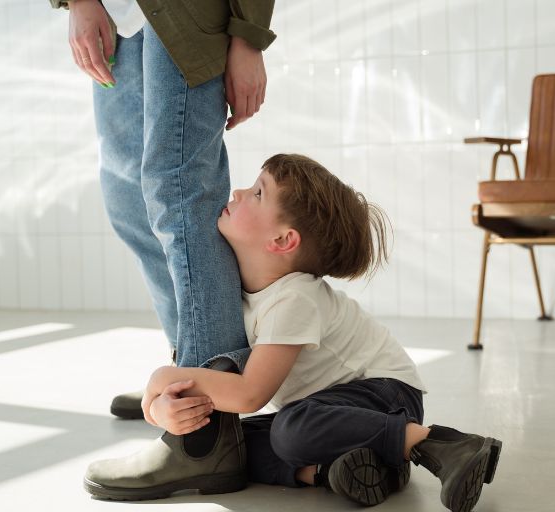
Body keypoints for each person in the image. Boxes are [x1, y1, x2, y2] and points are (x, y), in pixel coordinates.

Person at [84, 154, 503, 511]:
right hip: (331, 407)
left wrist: (161, 381)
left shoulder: (294, 299)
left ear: (283, 240)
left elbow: (250, 394)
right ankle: (339, 470)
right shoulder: (241, 285)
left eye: (258, 193)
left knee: (292, 428)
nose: (237, 193)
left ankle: (439, 444)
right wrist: (161, 409)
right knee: (233, 447)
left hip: (386, 395)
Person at [49, 0, 274, 415]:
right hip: (114, 21)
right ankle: (184, 374)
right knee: (130, 205)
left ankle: (210, 403)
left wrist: (249, 36)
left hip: (187, 12)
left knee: (181, 193)